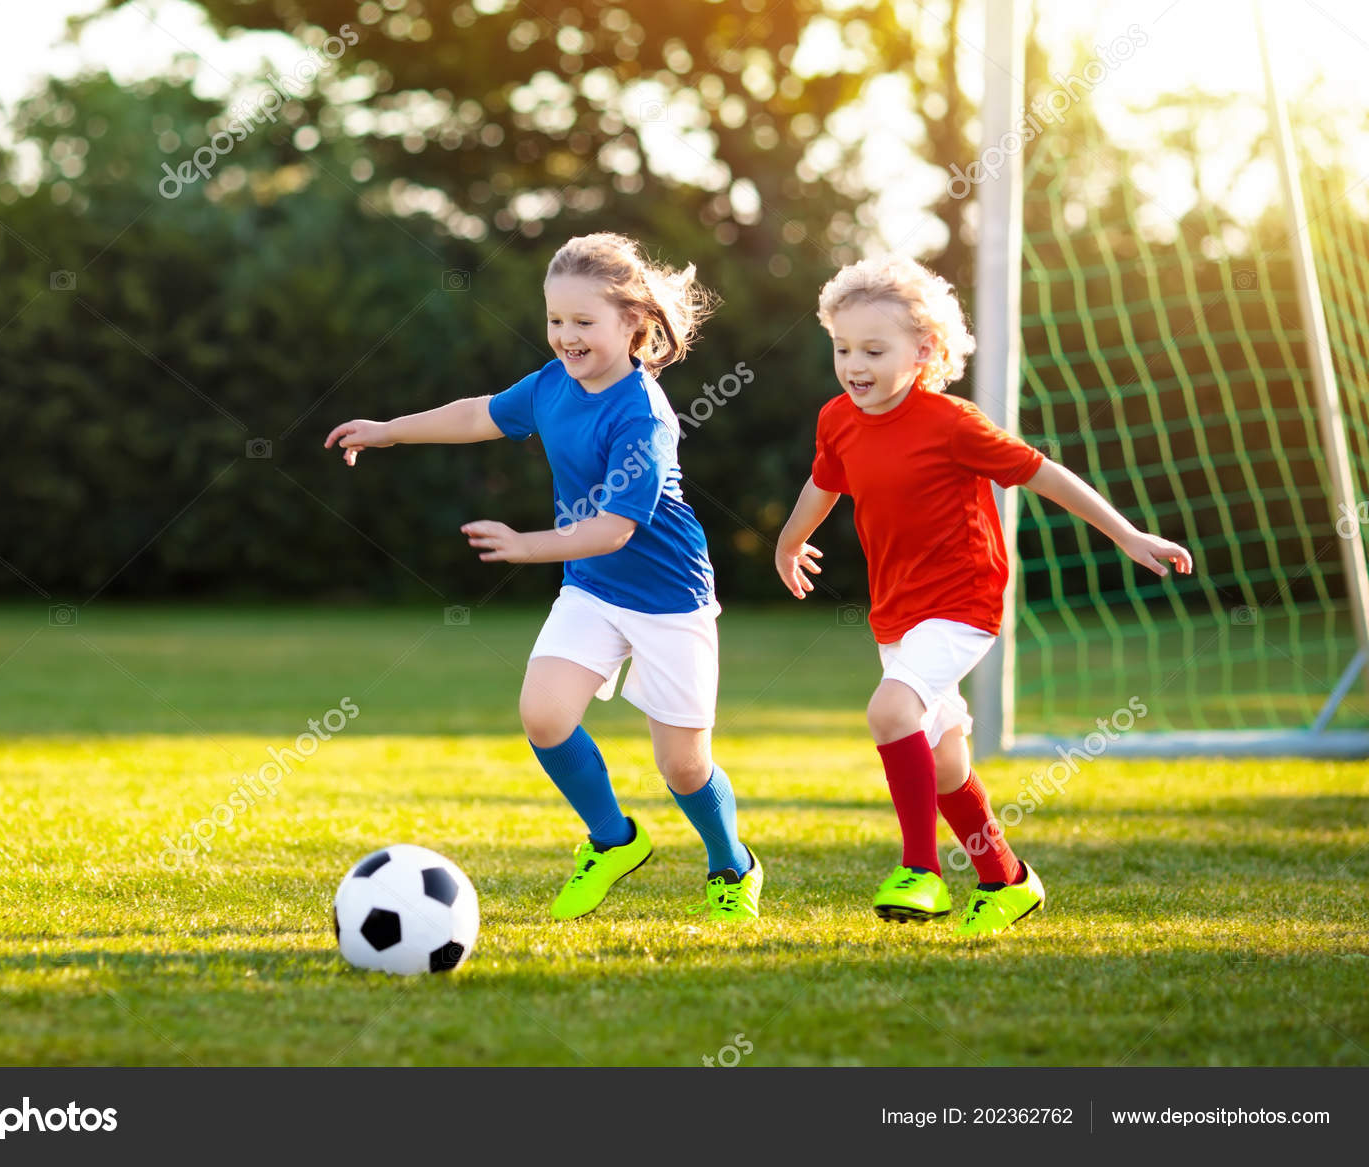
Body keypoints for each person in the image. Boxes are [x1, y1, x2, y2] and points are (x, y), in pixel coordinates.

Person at [325, 233, 763, 924]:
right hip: (592, 588)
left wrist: (530, 545)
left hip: (668, 600)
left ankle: (731, 863)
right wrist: (389, 431)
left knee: (682, 767)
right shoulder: (553, 385)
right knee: (544, 714)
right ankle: (614, 839)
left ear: (634, 324)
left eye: (583, 322)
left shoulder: (643, 416)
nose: (566, 336)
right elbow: (479, 413)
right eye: (556, 320)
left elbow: (616, 528)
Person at [773, 255, 1192, 937]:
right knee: (942, 760)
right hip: (896, 613)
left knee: (890, 710)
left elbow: (1043, 473)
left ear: (925, 350)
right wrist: (789, 543)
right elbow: (823, 483)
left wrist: (1126, 534)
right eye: (842, 347)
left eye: (874, 349)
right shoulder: (838, 419)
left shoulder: (951, 422)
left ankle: (921, 872)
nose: (854, 363)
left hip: (963, 602)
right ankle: (1007, 879)